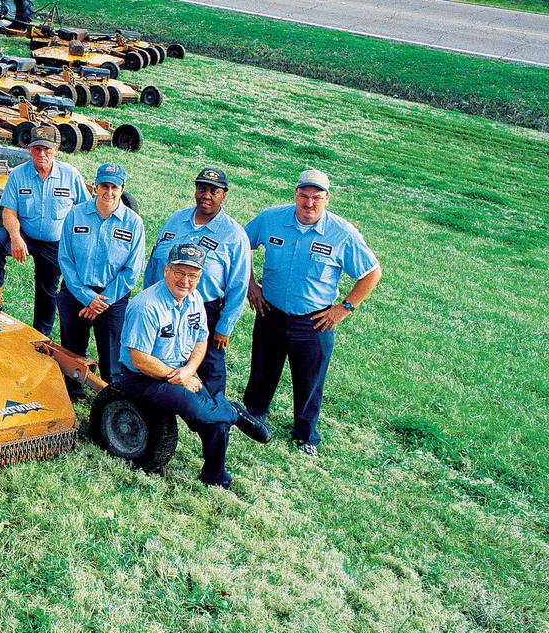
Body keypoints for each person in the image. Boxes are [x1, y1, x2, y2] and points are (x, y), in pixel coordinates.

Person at [241, 169, 382, 456]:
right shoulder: (271, 219)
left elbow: (371, 272)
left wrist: (344, 308)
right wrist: (249, 285)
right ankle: (253, 416)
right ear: (295, 194)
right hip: (271, 313)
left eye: (316, 197)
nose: (309, 204)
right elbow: (240, 244)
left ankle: (305, 434)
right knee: (262, 371)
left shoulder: (343, 233)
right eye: (304, 196)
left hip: (314, 322)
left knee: (309, 380)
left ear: (327, 198)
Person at [116, 240, 270, 488]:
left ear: (200, 276)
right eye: (179, 273)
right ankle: (234, 411)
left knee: (216, 422)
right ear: (167, 270)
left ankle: (215, 477)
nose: (185, 281)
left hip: (180, 371)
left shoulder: (195, 299)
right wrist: (178, 377)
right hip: (143, 378)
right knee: (198, 408)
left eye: (193, 275)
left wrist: (188, 371)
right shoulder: (146, 307)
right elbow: (140, 359)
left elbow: (202, 340)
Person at [141, 166, 250, 398]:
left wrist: (224, 327)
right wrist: (146, 301)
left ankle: (214, 415)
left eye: (214, 190)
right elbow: (155, 262)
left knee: (210, 371)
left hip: (205, 311)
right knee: (158, 362)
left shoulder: (234, 234)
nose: (206, 195)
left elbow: (239, 286)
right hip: (162, 305)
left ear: (224, 195)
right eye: (202, 188)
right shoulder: (176, 220)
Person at [0, 122, 90, 335]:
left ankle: (41, 335)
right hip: (26, 233)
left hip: (55, 241)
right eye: (37, 149)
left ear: (56, 149)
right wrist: (15, 237)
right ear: (30, 149)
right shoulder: (18, 175)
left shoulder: (71, 175)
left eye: (47, 149)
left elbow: (84, 213)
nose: (42, 154)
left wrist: (76, 244)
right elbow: (9, 212)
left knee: (47, 291)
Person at [56, 161, 145, 386]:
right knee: (71, 350)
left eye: (115, 187)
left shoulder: (134, 224)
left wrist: (101, 302)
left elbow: (131, 271)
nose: (109, 192)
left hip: (112, 298)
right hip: (76, 292)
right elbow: (65, 260)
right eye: (104, 186)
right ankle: (71, 391)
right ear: (95, 187)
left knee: (112, 358)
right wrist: (87, 298)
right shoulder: (75, 215)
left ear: (122, 190)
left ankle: (110, 398)